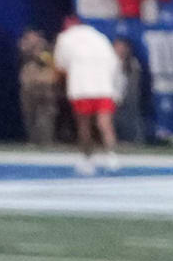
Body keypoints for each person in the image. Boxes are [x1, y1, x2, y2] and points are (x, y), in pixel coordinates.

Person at [54, 17, 122, 174]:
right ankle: (112, 157)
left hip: (81, 87)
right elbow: (114, 64)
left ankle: (87, 159)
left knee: (84, 124)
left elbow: (60, 65)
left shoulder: (65, 38)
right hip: (103, 86)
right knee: (105, 123)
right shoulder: (100, 37)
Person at [17, 32, 61, 150]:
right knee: (30, 115)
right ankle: (33, 140)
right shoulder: (24, 48)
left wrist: (40, 52)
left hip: (46, 86)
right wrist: (29, 47)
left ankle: (46, 141)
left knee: (46, 115)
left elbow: (49, 62)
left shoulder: (48, 50)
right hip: (29, 86)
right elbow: (22, 55)